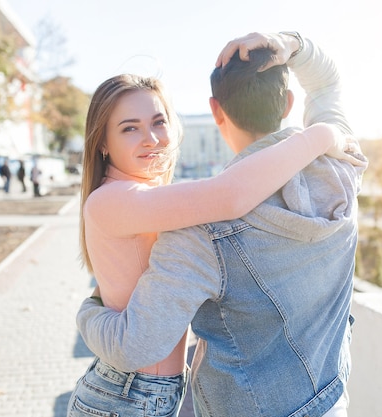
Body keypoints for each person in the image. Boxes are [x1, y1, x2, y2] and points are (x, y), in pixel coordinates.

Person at [76, 32, 367, 417]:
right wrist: (295, 55)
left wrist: (95, 307)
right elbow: (228, 194)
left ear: (216, 112)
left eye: (158, 122)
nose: (151, 138)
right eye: (129, 127)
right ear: (102, 142)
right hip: (126, 395)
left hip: (147, 393)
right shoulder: (342, 168)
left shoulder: (188, 229)